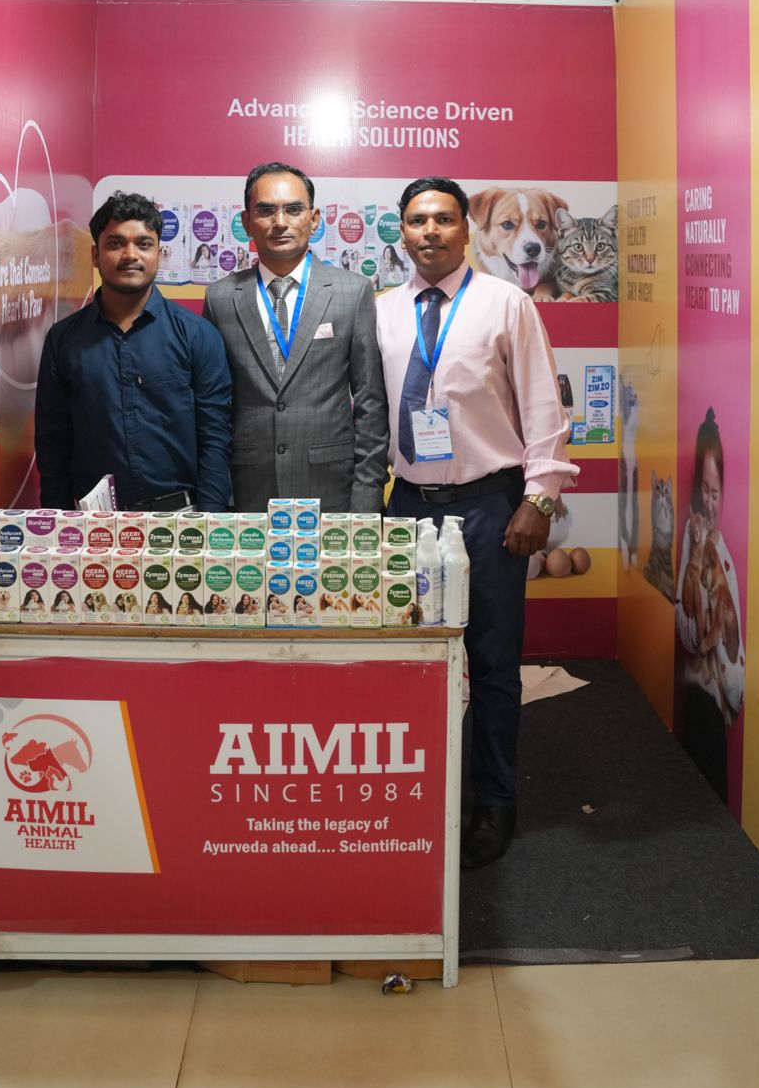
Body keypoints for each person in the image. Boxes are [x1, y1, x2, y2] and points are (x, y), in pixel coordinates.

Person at [376, 176, 576, 869]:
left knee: (491, 661)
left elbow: (543, 407)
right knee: (410, 658)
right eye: (415, 220)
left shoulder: (506, 303)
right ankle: (419, 792)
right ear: (401, 233)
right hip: (407, 507)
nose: (428, 231)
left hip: (490, 505)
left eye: (442, 219)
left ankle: (494, 801)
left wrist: (539, 499)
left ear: (466, 228)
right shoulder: (382, 311)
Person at [203, 162, 389, 512]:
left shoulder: (353, 292)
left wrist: (367, 498)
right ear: (246, 222)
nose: (280, 222)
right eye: (265, 211)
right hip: (248, 491)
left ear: (314, 219)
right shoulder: (221, 297)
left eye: (293, 209)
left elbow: (371, 403)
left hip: (331, 489)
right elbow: (214, 407)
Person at [35, 190, 232, 510]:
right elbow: (52, 443)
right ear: (95, 255)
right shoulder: (63, 341)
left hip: (182, 521)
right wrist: (59, 523)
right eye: (115, 243)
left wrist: (210, 522)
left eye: (143, 244)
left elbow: (215, 438)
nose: (130, 254)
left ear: (160, 254)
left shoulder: (198, 336)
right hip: (95, 524)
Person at [674, 407, 745, 805]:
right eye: (704, 490)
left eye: (716, 493)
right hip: (695, 694)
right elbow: (687, 630)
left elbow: (737, 686)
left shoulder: (727, 560)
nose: (710, 502)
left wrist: (718, 642)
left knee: (712, 797)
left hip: (718, 704)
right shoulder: (692, 535)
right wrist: (697, 555)